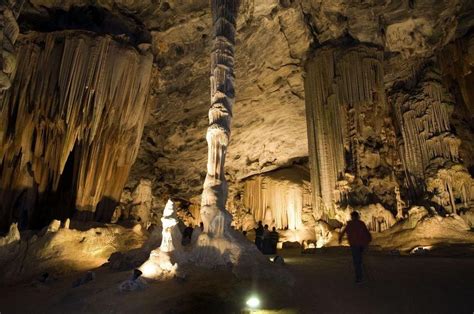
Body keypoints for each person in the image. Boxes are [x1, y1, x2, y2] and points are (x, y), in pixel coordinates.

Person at [339, 211, 372, 283]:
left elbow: (343, 232)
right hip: (361, 244)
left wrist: (340, 238)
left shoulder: (350, 224)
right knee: (359, 259)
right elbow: (366, 232)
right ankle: (360, 274)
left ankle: (359, 277)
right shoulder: (361, 223)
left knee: (356, 261)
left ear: (352, 217)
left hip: (355, 244)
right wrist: (369, 239)